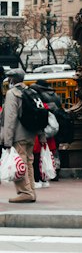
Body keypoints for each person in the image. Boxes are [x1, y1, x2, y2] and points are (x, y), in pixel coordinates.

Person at [1, 69, 38, 204]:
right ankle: (31, 191)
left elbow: (10, 119)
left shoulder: (13, 94)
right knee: (28, 163)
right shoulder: (30, 92)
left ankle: (24, 192)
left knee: (19, 164)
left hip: (18, 135)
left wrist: (7, 140)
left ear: (13, 79)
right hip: (30, 134)